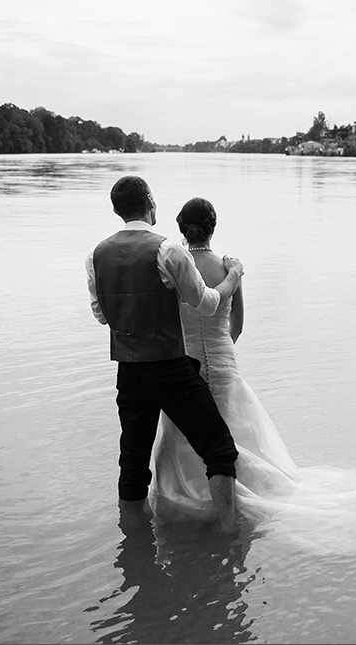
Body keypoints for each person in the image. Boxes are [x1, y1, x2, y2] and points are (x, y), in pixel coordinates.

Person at [86, 176, 244, 532]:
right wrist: (233, 275)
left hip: (128, 369)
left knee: (133, 460)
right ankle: (230, 533)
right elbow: (206, 304)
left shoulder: (95, 255)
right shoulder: (169, 250)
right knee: (219, 448)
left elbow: (101, 315)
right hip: (170, 367)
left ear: (116, 209)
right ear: (150, 203)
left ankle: (132, 542)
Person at [150, 197, 301, 523]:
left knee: (186, 433)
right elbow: (238, 326)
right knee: (232, 433)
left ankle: (187, 498)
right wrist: (219, 351)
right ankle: (235, 500)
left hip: (183, 362)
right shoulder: (230, 268)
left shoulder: (173, 267)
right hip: (223, 360)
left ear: (181, 228)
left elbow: (165, 323)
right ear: (212, 227)